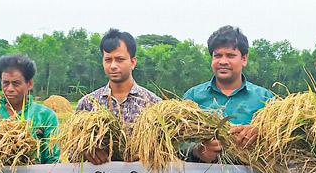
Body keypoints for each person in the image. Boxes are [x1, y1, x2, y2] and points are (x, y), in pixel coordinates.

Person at [182, 26, 274, 163]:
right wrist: (198, 150)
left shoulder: (265, 98)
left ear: (244, 59)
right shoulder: (193, 97)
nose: (223, 61)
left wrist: (260, 134)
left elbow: (280, 140)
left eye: (230, 55)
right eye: (217, 55)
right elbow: (175, 142)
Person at [75, 28, 160, 164]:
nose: (113, 66)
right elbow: (71, 153)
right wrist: (87, 151)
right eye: (108, 60)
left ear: (133, 62)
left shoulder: (154, 105)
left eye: (119, 59)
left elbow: (167, 154)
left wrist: (147, 154)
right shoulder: (88, 104)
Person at [0, 54, 59, 164]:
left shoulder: (45, 116)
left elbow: (53, 160)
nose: (9, 89)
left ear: (29, 84)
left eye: (16, 83)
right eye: (5, 83)